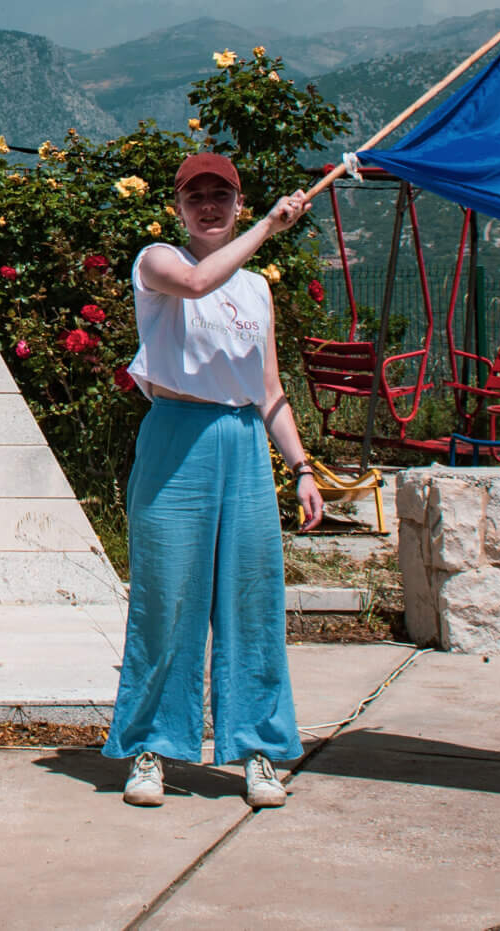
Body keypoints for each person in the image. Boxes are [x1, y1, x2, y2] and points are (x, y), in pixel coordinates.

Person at [108, 152, 324, 812]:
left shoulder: (257, 290)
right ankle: (152, 747)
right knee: (166, 598)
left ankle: (256, 749)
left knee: (252, 601)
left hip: (243, 444)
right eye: (195, 195)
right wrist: (269, 224)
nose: (209, 205)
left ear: (236, 201)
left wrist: (302, 467)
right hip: (178, 436)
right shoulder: (157, 262)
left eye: (221, 195)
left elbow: (269, 390)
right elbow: (198, 282)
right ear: (177, 207)